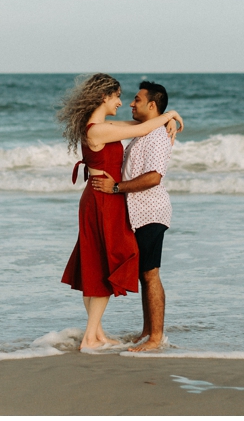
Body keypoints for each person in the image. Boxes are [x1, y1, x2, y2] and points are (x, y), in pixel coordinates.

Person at [57, 73, 183, 351]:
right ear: (104, 97)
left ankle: (101, 332)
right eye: (117, 96)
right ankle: (92, 335)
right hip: (104, 198)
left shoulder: (101, 126)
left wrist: (166, 118)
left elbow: (136, 127)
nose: (123, 102)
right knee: (100, 264)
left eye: (133, 98)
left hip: (114, 200)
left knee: (104, 263)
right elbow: (137, 130)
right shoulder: (98, 129)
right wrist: (170, 114)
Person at [91, 81, 174, 352]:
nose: (130, 103)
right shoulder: (143, 134)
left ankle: (155, 337)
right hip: (138, 214)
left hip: (150, 212)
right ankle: (148, 331)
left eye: (137, 100)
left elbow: (153, 177)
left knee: (150, 274)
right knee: (144, 274)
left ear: (152, 105)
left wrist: (116, 188)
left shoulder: (157, 136)